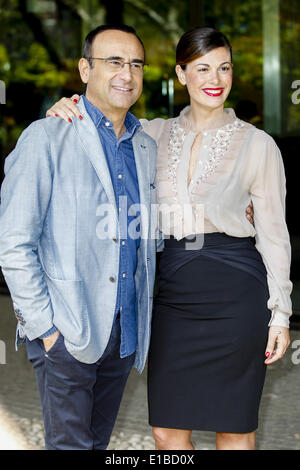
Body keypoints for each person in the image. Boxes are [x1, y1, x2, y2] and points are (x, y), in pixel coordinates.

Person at [46, 26, 292, 451]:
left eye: (224, 68)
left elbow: (274, 235)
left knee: (234, 429)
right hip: (169, 295)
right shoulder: (151, 135)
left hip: (236, 292)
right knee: (165, 431)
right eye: (202, 69)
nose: (215, 80)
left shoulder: (258, 145)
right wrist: (68, 108)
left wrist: (281, 314)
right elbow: (103, 126)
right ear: (181, 75)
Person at [0, 24, 159, 450]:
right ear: (85, 69)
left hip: (122, 334)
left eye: (135, 64)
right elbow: (14, 243)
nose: (126, 73)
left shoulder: (146, 147)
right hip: (66, 331)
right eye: (113, 62)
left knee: (96, 445)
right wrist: (45, 329)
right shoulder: (46, 137)